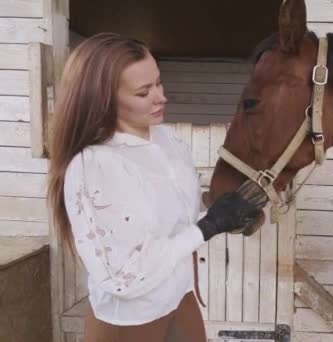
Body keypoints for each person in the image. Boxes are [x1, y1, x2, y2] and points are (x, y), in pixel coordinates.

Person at [47, 32, 263, 342]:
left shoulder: (167, 141)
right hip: (131, 322)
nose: (161, 97)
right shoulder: (94, 166)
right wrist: (208, 227)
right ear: (103, 100)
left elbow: (171, 206)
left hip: (180, 299)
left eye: (159, 82)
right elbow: (123, 276)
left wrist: (218, 204)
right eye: (143, 92)